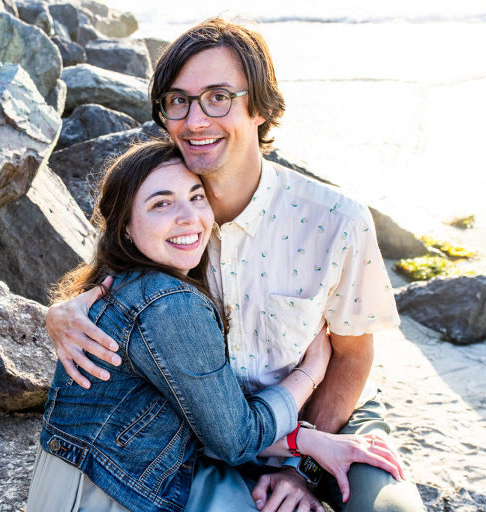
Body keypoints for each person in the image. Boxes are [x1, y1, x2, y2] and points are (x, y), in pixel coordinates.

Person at [46, 18, 425, 512]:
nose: (195, 119)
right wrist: (57, 315)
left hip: (323, 417)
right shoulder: (166, 217)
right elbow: (108, 288)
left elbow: (352, 355)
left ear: (261, 108)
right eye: (178, 100)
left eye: (218, 96)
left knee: (393, 510)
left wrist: (300, 467)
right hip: (201, 430)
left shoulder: (336, 220)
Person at [28, 140, 403, 512]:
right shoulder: (170, 302)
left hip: (94, 478)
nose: (189, 217)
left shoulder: (133, 281)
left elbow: (213, 416)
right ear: (125, 227)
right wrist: (311, 370)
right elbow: (233, 438)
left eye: (196, 197)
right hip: (106, 491)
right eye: (161, 203)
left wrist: (305, 447)